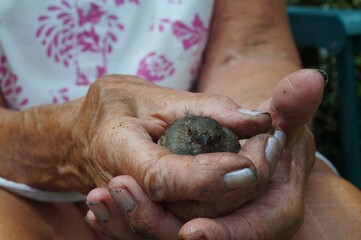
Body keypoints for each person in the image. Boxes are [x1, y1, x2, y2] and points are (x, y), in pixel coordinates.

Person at [0, 1, 360, 240]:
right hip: (20, 177)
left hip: (214, 126)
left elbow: (251, 45)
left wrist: (262, 121)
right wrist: (67, 138)